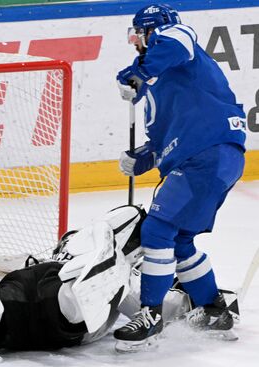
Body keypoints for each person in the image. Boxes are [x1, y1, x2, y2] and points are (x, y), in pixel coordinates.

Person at [0, 189, 197, 361]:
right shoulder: (83, 244)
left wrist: (181, 301)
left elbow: (147, 308)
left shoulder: (125, 270)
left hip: (54, 301)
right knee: (0, 311)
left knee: (8, 309)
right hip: (46, 295)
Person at [114, 3, 246, 351]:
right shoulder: (166, 81)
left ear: (150, 31)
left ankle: (150, 314)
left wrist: (137, 74)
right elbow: (163, 143)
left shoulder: (176, 41)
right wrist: (141, 157)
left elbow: (178, 38)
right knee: (179, 239)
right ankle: (214, 311)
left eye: (139, 35)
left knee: (156, 229)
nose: (136, 43)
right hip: (212, 157)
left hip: (208, 154)